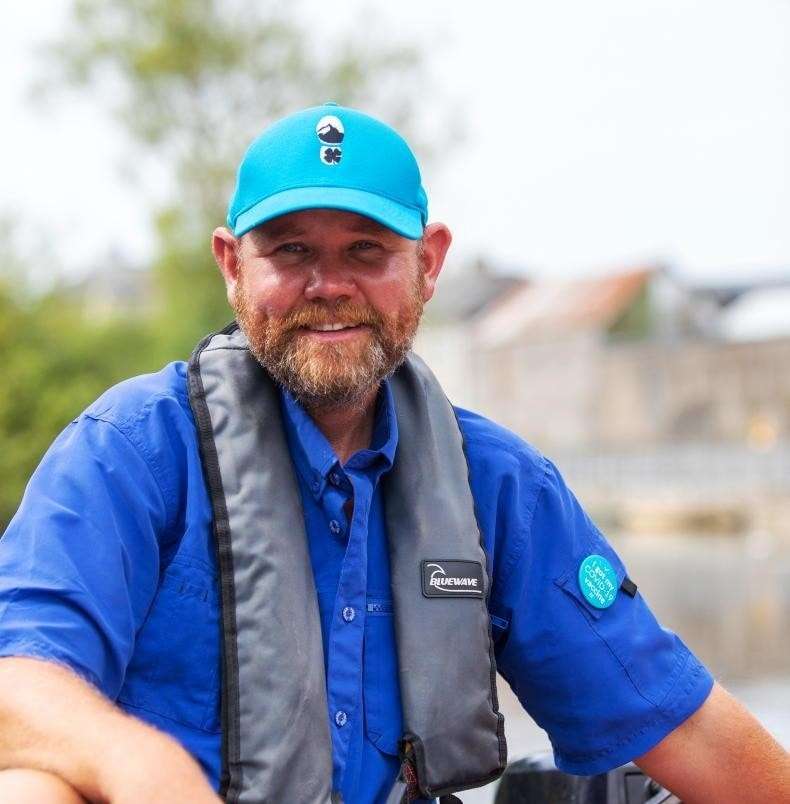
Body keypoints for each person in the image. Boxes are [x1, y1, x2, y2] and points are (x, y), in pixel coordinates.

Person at [0, 103, 787, 804]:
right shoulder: (127, 453)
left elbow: (686, 731)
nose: (328, 285)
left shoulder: (500, 486)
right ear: (232, 267)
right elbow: (15, 688)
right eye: (292, 251)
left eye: (367, 251)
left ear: (430, 264)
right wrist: (144, 771)